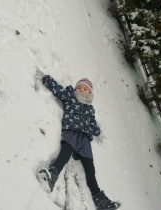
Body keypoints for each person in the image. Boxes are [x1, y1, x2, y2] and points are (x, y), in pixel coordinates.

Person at [35, 69, 120, 210]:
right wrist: (48, 80)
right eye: (79, 87)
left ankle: (100, 200)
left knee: (90, 169)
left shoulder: (90, 109)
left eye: (85, 89)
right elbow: (58, 90)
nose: (81, 90)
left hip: (85, 140)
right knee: (64, 154)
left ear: (89, 93)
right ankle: (51, 177)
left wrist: (96, 130)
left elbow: (93, 125)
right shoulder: (70, 96)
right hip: (72, 132)